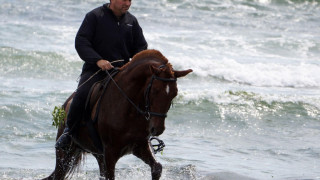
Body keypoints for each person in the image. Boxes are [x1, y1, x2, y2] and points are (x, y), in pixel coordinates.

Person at [55, 0, 148, 150]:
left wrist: (134, 65)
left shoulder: (132, 21)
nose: (127, 3)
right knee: (82, 95)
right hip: (95, 70)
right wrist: (98, 60)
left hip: (122, 71)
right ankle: (69, 133)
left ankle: (145, 136)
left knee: (146, 94)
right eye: (123, 0)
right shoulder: (94, 16)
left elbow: (141, 47)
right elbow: (81, 42)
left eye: (130, 0)